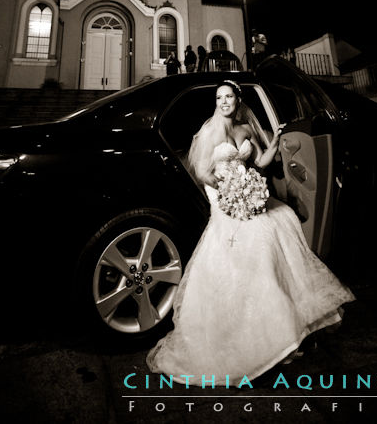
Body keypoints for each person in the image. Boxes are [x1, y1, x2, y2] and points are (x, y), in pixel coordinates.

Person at [147, 79, 354, 386]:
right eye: (219, 98)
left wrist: (272, 146)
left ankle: (281, 326)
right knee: (255, 240)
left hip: (249, 196)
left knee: (281, 220)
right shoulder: (210, 131)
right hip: (224, 200)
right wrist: (230, 192)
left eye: (229, 96)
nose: (224, 102)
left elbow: (259, 162)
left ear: (238, 99)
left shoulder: (245, 129)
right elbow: (202, 171)